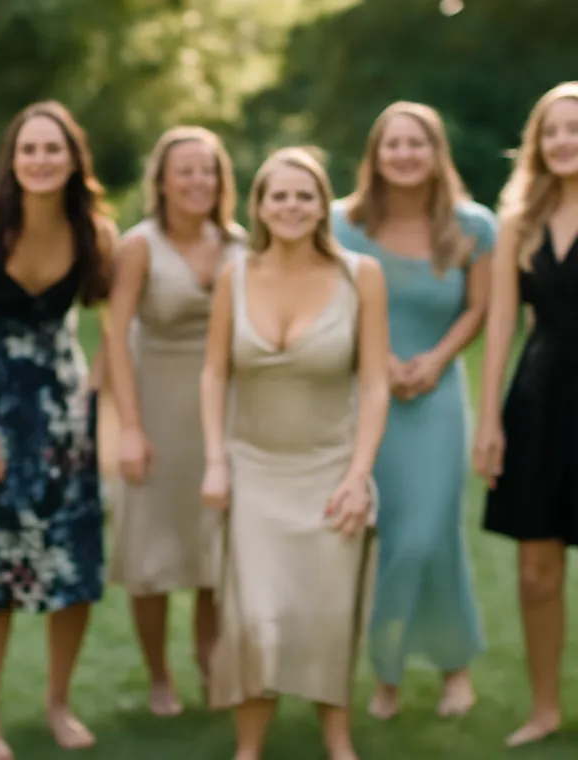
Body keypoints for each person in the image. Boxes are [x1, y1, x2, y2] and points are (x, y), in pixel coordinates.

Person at [0, 101, 116, 760]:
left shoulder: (94, 230)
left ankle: (59, 705)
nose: (40, 160)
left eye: (53, 149)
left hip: (65, 417)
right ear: (13, 158)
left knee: (72, 563)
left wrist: (101, 403)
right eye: (29, 149)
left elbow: (114, 331)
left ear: (73, 160)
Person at [200, 146, 389, 760]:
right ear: (258, 205)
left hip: (332, 470)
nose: (291, 205)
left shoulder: (361, 276)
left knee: (329, 615)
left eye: (304, 195)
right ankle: (248, 746)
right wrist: (216, 460)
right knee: (255, 616)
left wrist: (360, 474)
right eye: (278, 194)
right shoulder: (235, 275)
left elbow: (376, 381)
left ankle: (338, 740)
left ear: (322, 206)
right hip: (254, 469)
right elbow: (213, 373)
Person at [331, 102, 495, 720]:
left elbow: (478, 308)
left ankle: (452, 670)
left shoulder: (474, 227)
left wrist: (433, 359)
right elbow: (328, 302)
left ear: (435, 153)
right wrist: (381, 359)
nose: (404, 155)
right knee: (387, 539)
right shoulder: (342, 225)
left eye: (416, 144)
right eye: (392, 144)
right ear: (375, 155)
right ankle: (387, 676)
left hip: (437, 400)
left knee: (428, 538)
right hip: (367, 399)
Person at [105, 125, 242, 716]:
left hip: (226, 413)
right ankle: (160, 675)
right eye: (184, 170)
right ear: (161, 180)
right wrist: (129, 429)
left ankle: (211, 658)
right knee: (152, 550)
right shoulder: (139, 244)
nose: (197, 180)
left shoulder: (240, 244)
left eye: (207, 169)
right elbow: (114, 336)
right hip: (154, 404)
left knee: (216, 547)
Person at [475, 82, 578, 748]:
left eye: (575, 128)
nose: (564, 140)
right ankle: (544, 709)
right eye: (552, 131)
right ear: (536, 144)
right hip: (541, 401)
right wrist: (488, 420)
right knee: (536, 572)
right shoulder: (517, 222)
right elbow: (503, 324)